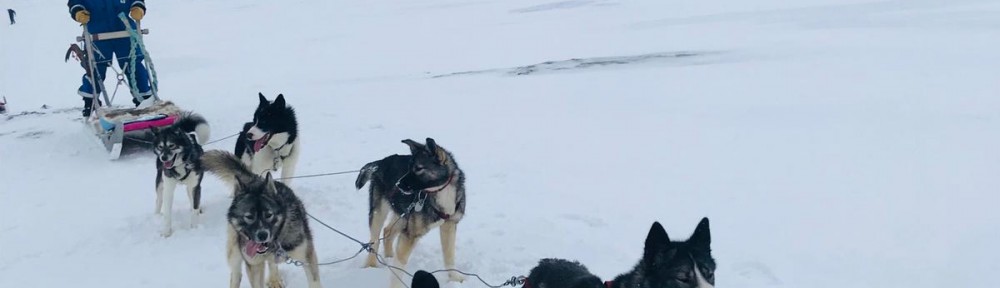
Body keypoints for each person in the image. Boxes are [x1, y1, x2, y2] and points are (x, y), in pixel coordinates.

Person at [68, 0, 152, 117]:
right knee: (95, 68)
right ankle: (90, 102)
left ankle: (145, 99)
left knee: (134, 65)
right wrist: (78, 11)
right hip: (96, 32)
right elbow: (76, 2)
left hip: (125, 30)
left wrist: (138, 7)